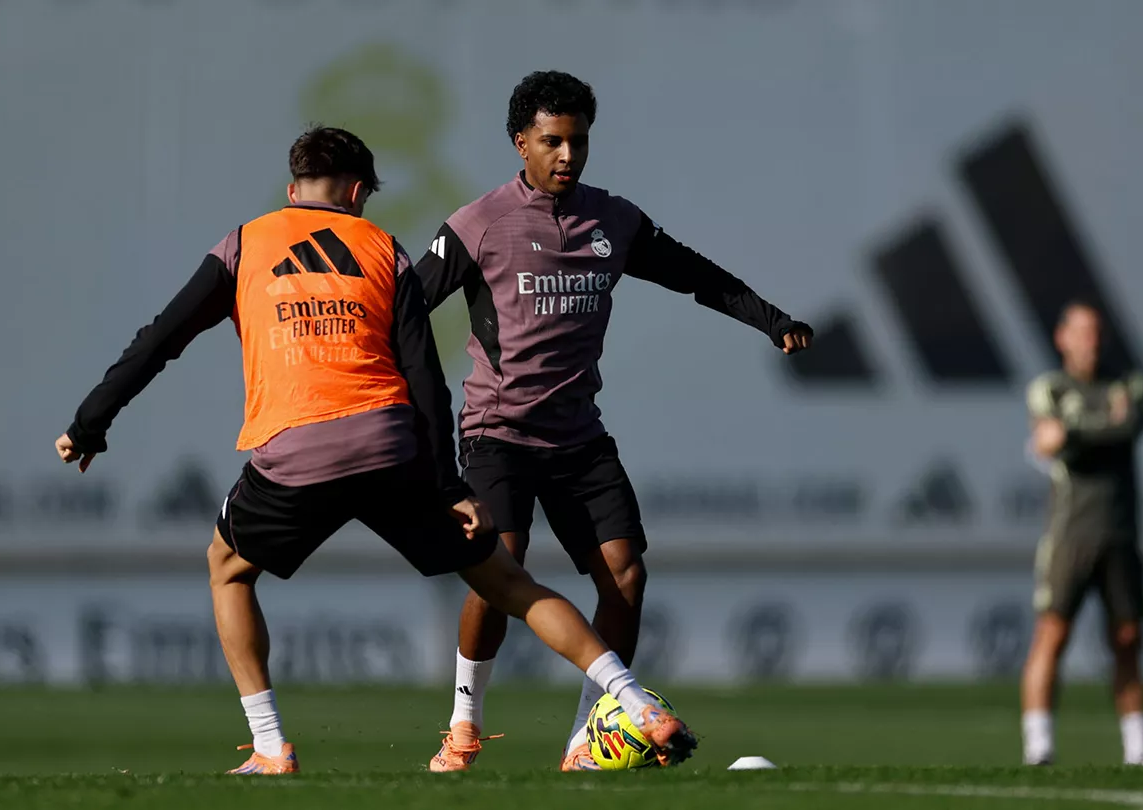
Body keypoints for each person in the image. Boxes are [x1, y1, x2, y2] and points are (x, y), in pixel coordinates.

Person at [54, 126, 697, 775]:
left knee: (228, 566)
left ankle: (271, 746)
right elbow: (425, 378)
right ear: (358, 192)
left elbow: (159, 338)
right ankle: (636, 703)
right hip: (391, 446)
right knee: (510, 584)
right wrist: (449, 484)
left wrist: (90, 422)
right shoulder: (383, 249)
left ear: (291, 189)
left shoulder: (242, 245)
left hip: (295, 451)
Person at [414, 71, 812, 772]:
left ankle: (588, 738)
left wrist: (771, 320)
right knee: (497, 566)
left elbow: (696, 274)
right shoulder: (479, 223)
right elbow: (408, 308)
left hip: (576, 436)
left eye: (578, 141)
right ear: (521, 143)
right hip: (496, 433)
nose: (568, 155)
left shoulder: (613, 219)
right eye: (552, 141)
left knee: (625, 575)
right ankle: (463, 725)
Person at [1021, 301, 1143, 766]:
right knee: (1052, 635)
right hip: (1070, 534)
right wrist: (1102, 424)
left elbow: (1130, 427)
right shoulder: (1051, 388)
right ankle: (1039, 746)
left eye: (1097, 332)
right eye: (1081, 332)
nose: (1091, 341)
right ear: (1062, 338)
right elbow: (1046, 440)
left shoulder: (1129, 382)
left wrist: (1074, 431)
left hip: (1120, 533)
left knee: (1127, 639)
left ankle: (1137, 748)